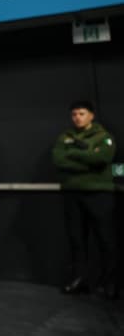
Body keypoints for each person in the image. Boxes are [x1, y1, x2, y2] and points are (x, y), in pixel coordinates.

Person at [52, 100, 118, 299]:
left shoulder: (103, 137)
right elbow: (59, 160)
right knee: (77, 239)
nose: (77, 118)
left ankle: (110, 283)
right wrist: (86, 156)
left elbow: (101, 159)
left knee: (105, 239)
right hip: (73, 194)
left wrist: (73, 155)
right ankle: (80, 279)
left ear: (91, 115)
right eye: (74, 114)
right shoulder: (65, 137)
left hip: (99, 194)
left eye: (81, 113)